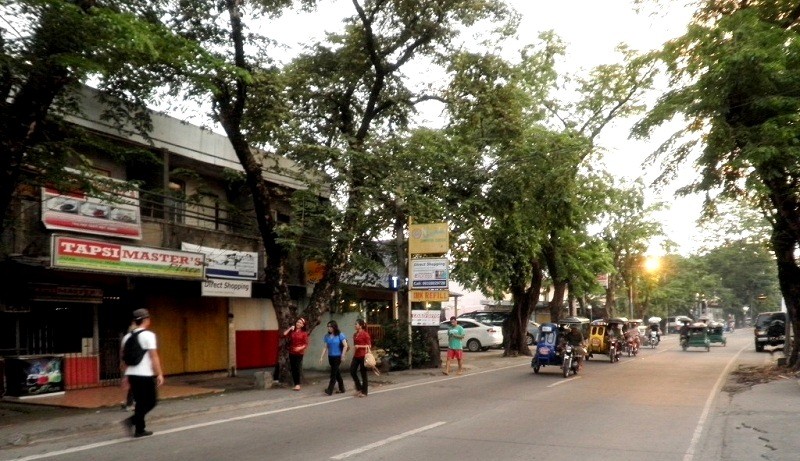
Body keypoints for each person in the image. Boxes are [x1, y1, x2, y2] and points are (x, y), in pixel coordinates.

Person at [121, 308, 164, 438]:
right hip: (145, 374)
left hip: (132, 374)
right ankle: (131, 421)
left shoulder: (127, 337)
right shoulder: (148, 335)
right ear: (146, 320)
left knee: (140, 402)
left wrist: (125, 376)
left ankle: (140, 429)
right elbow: (153, 356)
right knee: (151, 402)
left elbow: (123, 359)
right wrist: (159, 373)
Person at [320, 320, 348, 396]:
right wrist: (322, 357)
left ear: (334, 327)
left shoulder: (340, 335)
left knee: (333, 374)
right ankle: (342, 388)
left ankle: (330, 390)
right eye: (328, 327)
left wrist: (343, 355)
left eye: (330, 326)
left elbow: (345, 346)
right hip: (330, 357)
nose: (329, 328)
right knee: (337, 373)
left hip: (337, 357)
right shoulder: (327, 336)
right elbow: (325, 347)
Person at [281, 317, 309, 391]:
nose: (298, 323)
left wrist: (300, 348)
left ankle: (298, 384)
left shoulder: (304, 333)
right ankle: (296, 383)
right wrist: (290, 328)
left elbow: (306, 344)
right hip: (292, 351)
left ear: (303, 325)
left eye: (300, 323)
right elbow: (284, 334)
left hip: (299, 352)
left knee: (297, 367)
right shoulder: (292, 331)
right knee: (293, 368)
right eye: (297, 322)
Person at [350, 319, 372, 398]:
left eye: (356, 324)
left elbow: (369, 346)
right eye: (355, 324)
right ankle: (359, 387)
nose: (355, 325)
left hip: (363, 356)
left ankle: (364, 391)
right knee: (352, 371)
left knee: (363, 373)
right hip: (356, 356)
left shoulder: (365, 334)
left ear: (361, 325)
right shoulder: (355, 335)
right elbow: (355, 346)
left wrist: (360, 346)